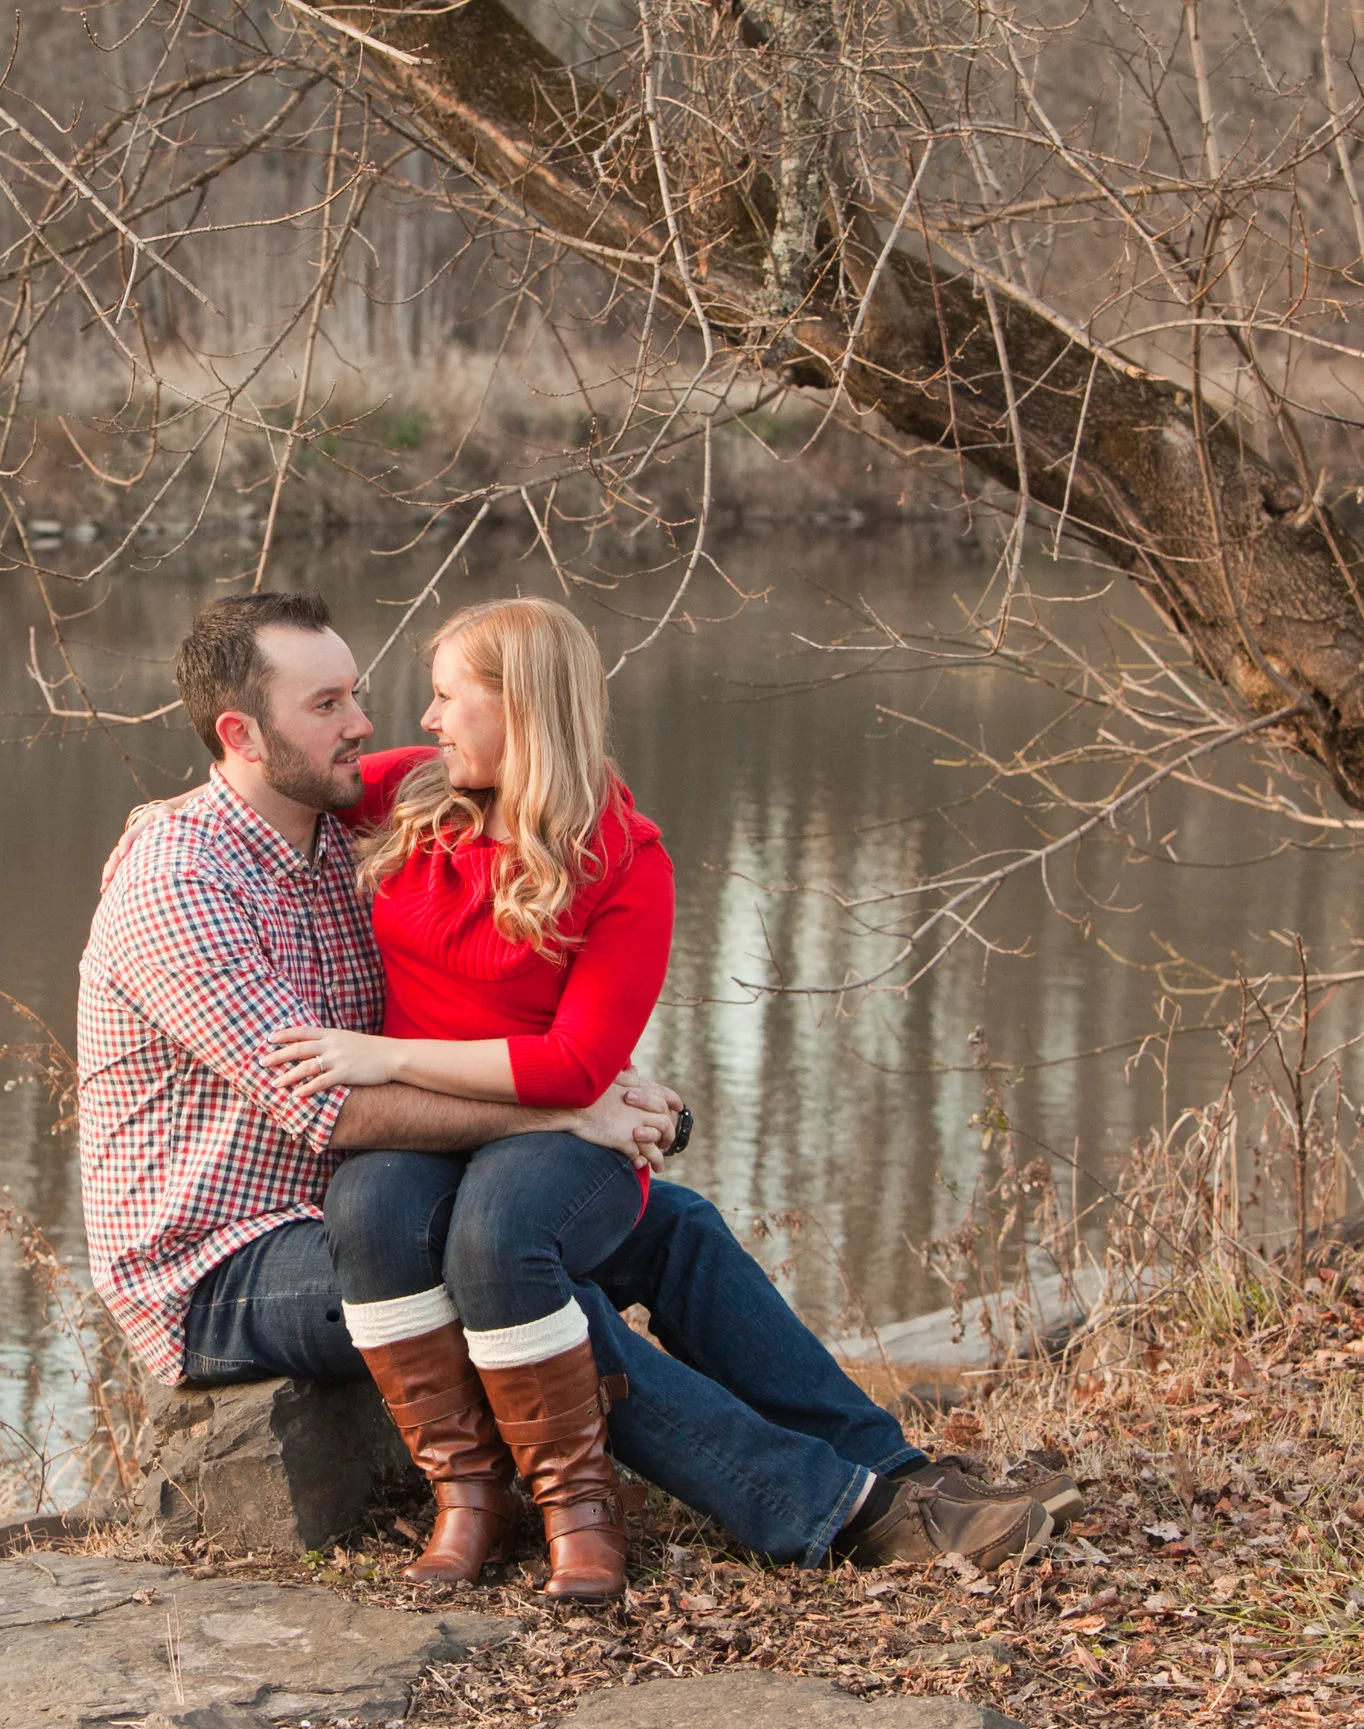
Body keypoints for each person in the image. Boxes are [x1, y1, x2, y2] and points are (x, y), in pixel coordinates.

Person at [77, 589, 1067, 1586]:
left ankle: (895, 1469)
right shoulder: (180, 883)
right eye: (327, 705)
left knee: (669, 1228)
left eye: (357, 694)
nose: (366, 722)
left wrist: (601, 1084)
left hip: (373, 1195)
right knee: (506, 1270)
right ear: (242, 735)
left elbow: (511, 916)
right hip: (225, 1260)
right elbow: (341, 1110)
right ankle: (827, 1510)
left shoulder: (346, 830)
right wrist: (571, 1105)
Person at [258, 598, 670, 1595]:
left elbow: (573, 1069)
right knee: (366, 1207)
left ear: (519, 706)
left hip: (560, 1135)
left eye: (448, 697)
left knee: (497, 1230)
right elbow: (277, 774)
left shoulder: (625, 857)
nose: (426, 718)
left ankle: (578, 1506)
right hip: (431, 1128)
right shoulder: (415, 789)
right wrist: (168, 822)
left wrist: (387, 1057)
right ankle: (470, 1496)